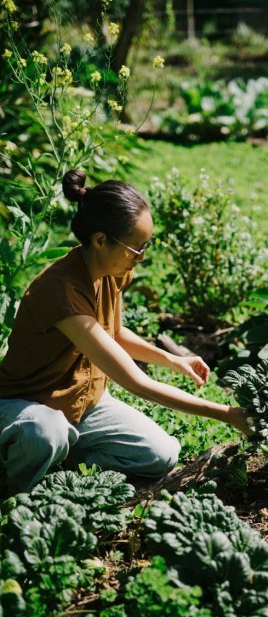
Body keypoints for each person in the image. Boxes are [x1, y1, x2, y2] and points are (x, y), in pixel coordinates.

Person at [0, 169, 248, 494]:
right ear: (100, 240)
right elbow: (136, 383)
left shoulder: (111, 269)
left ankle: (54, 462)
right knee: (45, 432)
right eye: (136, 248)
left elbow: (113, 333)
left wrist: (171, 359)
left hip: (81, 403)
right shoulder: (61, 291)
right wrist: (226, 413)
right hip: (24, 406)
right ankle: (13, 492)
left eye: (147, 245)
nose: (142, 257)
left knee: (162, 454)